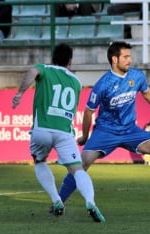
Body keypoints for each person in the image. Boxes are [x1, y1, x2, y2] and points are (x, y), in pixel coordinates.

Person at [57, 41, 150, 212]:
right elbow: (89, 112)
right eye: (126, 57)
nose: (130, 60)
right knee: (82, 163)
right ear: (115, 59)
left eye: (130, 56)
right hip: (106, 131)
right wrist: (85, 136)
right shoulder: (103, 84)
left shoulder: (136, 76)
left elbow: (147, 93)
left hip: (130, 130)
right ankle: (59, 203)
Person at [11, 43, 105, 223]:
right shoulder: (76, 82)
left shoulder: (44, 68)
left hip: (42, 130)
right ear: (70, 61)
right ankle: (90, 202)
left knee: (39, 161)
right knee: (77, 169)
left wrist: (21, 93)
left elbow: (33, 72)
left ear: (52, 58)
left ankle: (57, 201)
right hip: (64, 133)